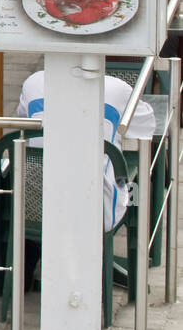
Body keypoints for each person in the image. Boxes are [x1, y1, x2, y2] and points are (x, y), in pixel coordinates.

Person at [16, 70, 152, 233]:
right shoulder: (118, 90)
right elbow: (146, 131)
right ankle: (141, 243)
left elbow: (24, 125)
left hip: (36, 209)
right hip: (98, 213)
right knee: (133, 174)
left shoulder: (34, 83)